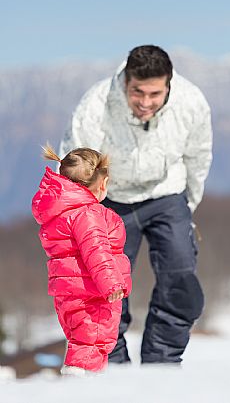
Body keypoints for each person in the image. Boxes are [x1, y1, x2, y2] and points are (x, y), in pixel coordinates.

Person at [59, 44, 213, 365]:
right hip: (111, 200)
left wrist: (188, 210)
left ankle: (162, 364)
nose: (145, 102)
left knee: (180, 276)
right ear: (125, 83)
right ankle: (112, 368)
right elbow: (73, 166)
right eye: (137, 92)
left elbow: (198, 157)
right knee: (102, 288)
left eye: (155, 94)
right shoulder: (95, 106)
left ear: (169, 84)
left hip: (167, 195)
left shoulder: (191, 103)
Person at [32, 145, 132, 376]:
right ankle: (80, 388)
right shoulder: (87, 214)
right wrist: (111, 284)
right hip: (92, 293)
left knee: (81, 341)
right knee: (92, 344)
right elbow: (96, 250)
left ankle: (78, 378)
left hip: (68, 292)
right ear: (101, 184)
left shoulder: (60, 212)